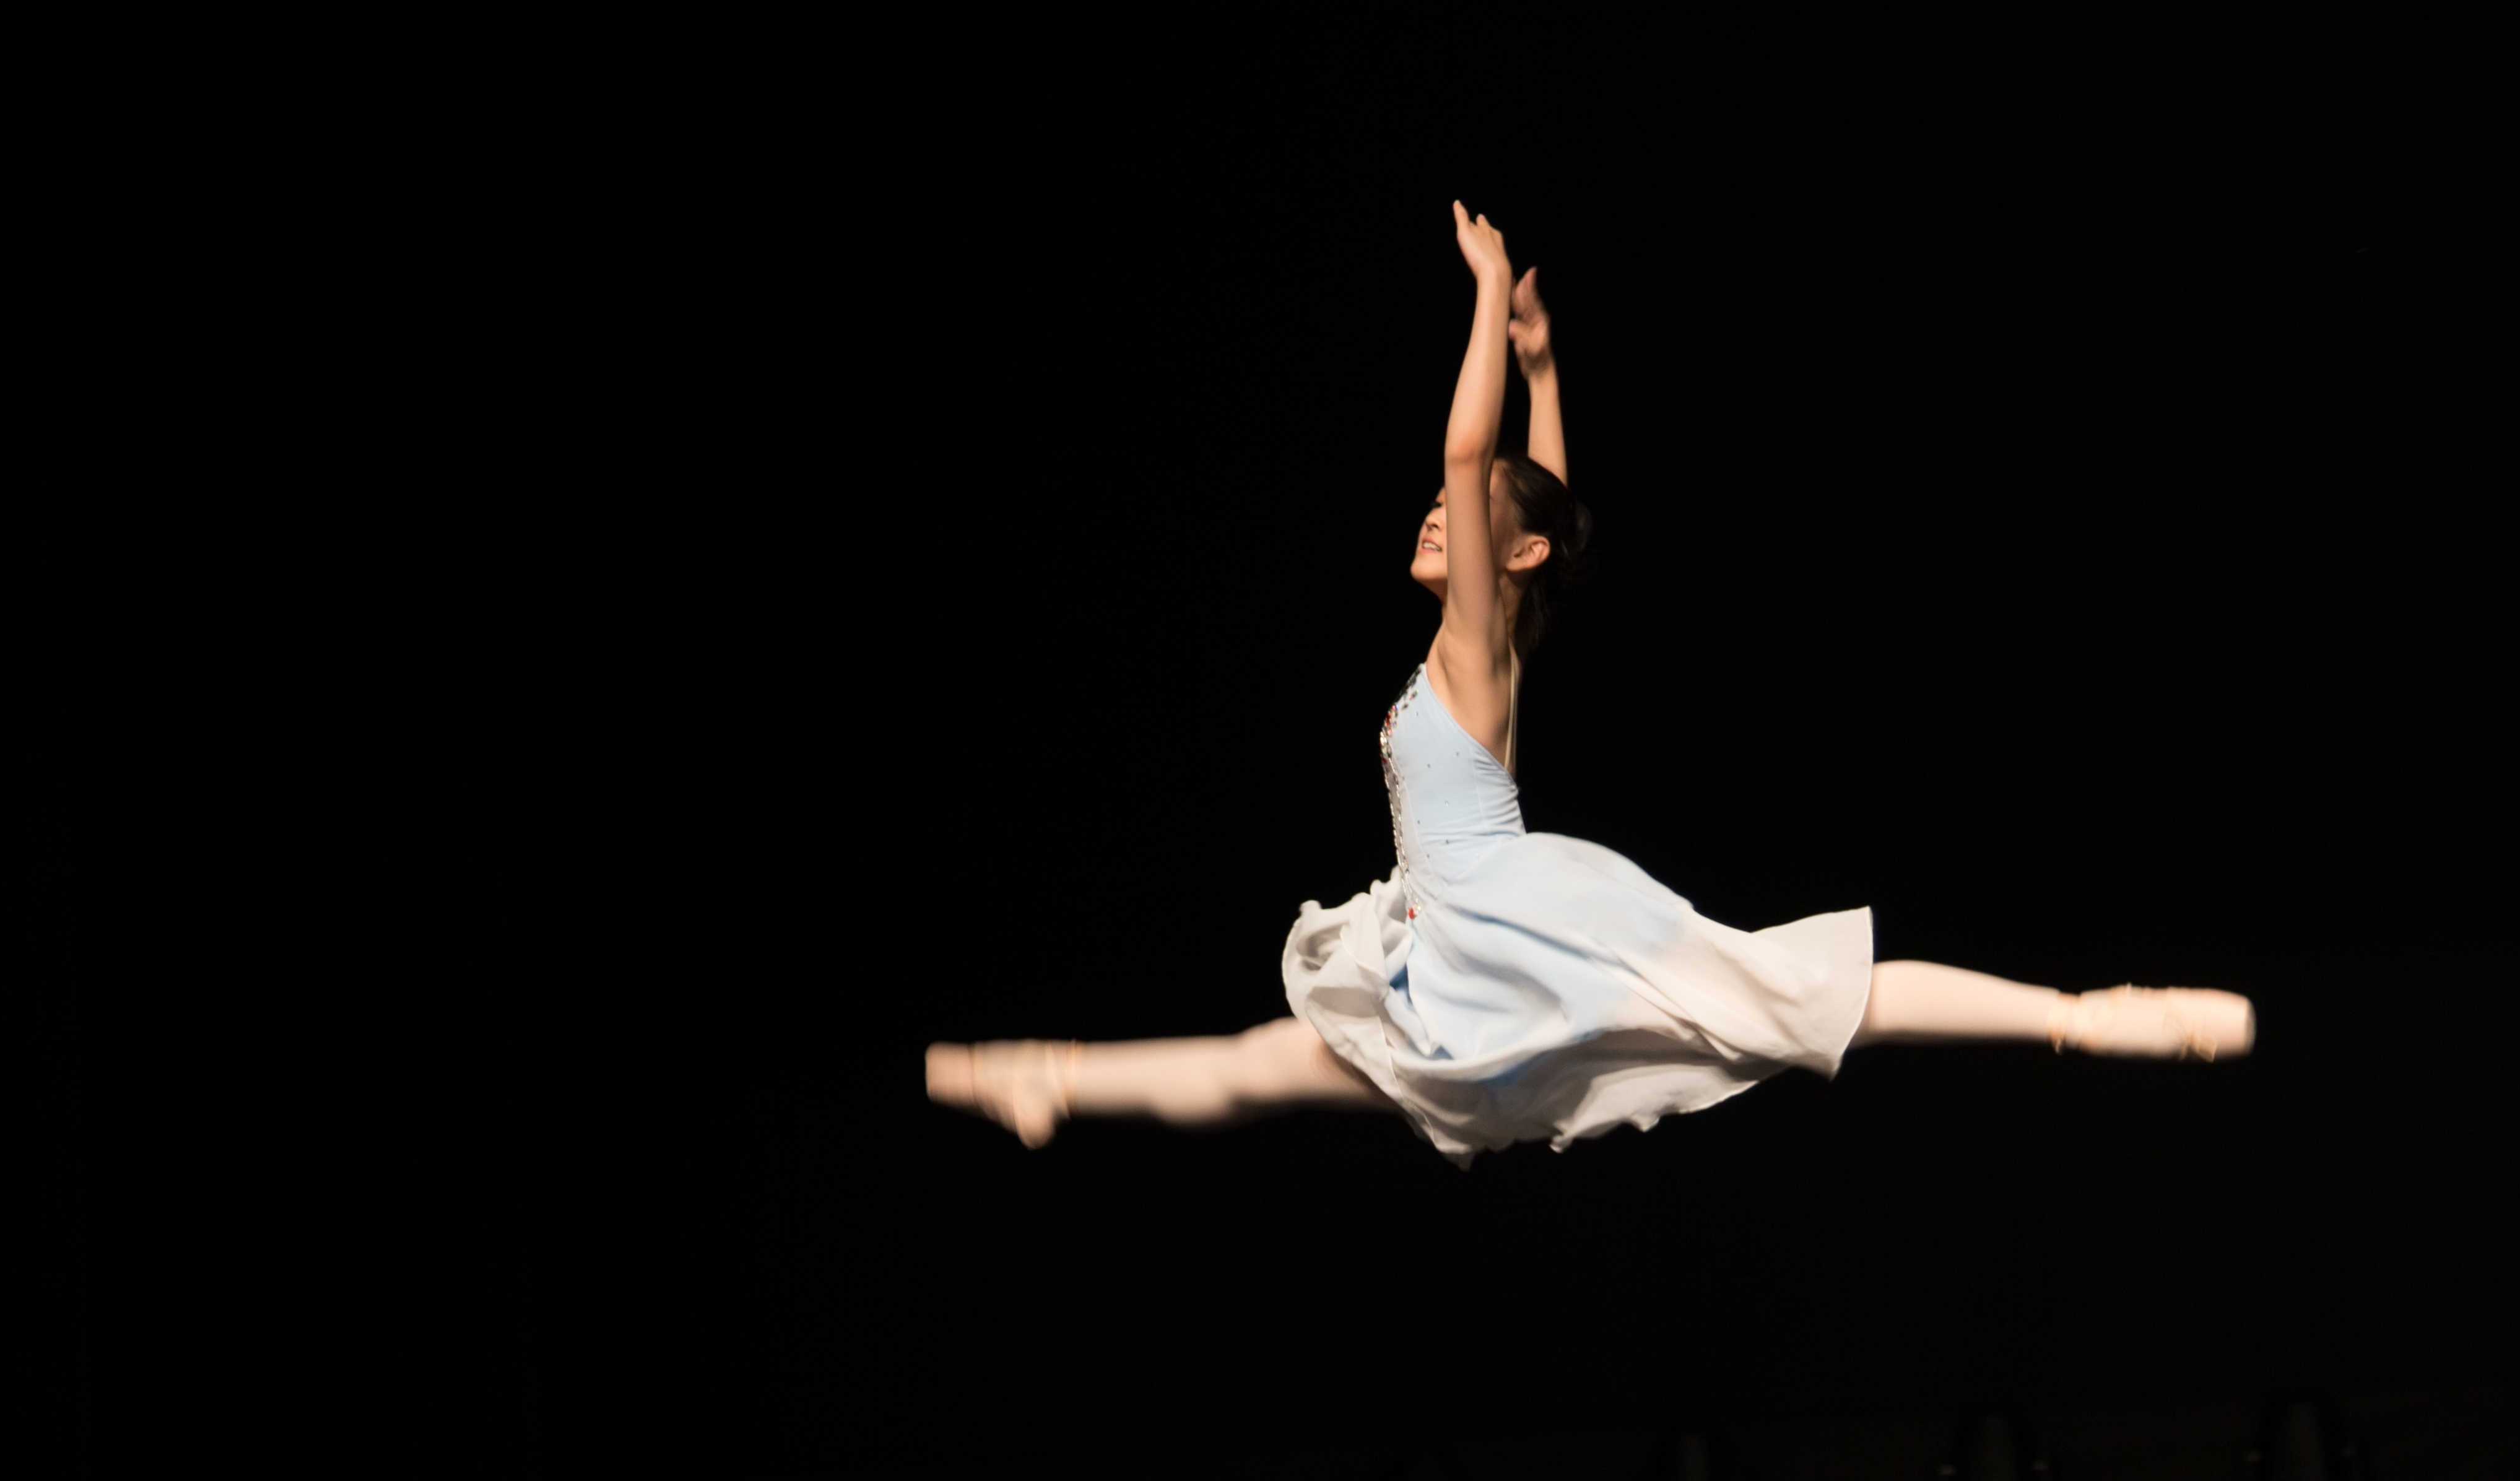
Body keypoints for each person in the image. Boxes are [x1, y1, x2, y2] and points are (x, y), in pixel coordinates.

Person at [927, 202, 2253, 1165]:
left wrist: (1480, 297)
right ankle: (1044, 1076)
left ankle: (2094, 1019)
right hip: (1457, 943)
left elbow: (1476, 462)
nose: (1438, 513)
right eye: (1443, 511)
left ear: (1510, 556)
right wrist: (1545, 365)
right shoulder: (1498, 633)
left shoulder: (1475, 644)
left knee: (1806, 998)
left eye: (1463, 518)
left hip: (1514, 926)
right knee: (1263, 1069)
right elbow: (1533, 506)